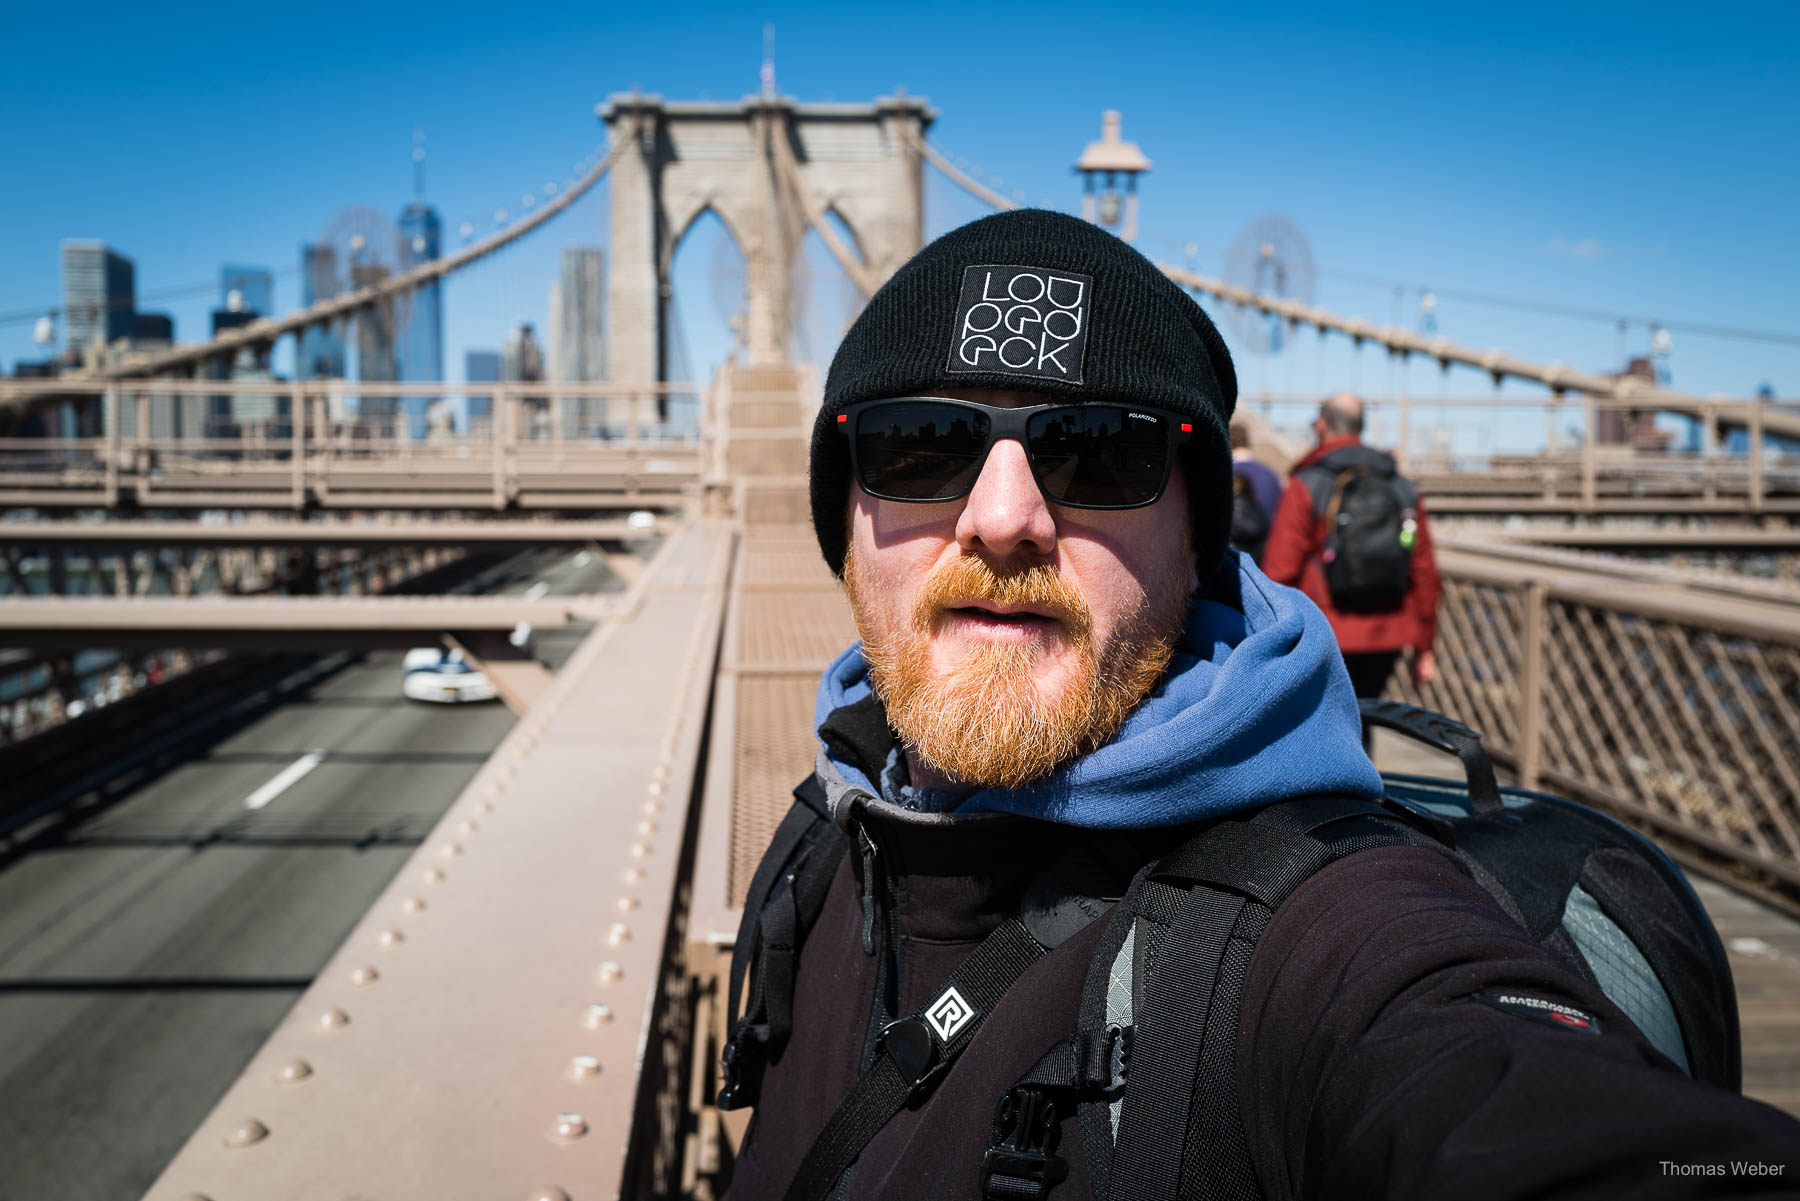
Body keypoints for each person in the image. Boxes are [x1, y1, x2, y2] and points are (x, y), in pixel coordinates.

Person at [723, 210, 1799, 1200]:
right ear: (848, 517)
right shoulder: (829, 830)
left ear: (1198, 540)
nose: (1005, 518)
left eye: (1101, 451)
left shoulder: (1320, 938)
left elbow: (1504, 1097)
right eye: (922, 446)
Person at [1262, 392, 1439, 701]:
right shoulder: (1401, 485)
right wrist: (1425, 644)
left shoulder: (1307, 483)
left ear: (1320, 425)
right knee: (1365, 718)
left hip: (1325, 630)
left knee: (1325, 724)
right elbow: (1422, 566)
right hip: (1389, 630)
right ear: (1360, 426)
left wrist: (1273, 640)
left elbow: (1281, 570)